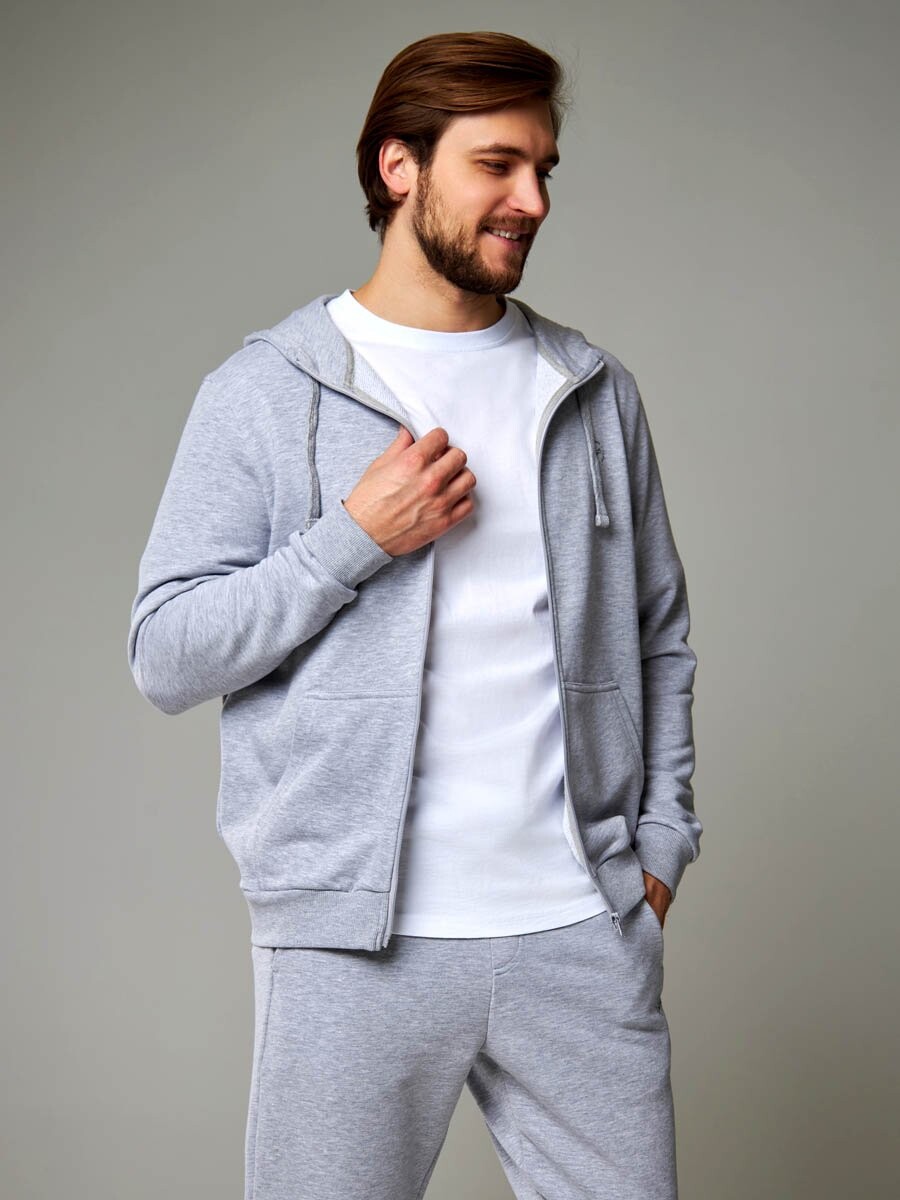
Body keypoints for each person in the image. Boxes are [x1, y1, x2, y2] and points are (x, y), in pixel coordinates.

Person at [127, 29, 702, 1200]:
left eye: (543, 168)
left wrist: (659, 850)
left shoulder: (591, 392)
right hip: (354, 947)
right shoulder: (265, 391)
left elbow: (659, 635)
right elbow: (166, 652)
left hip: (580, 931)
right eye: (497, 165)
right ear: (400, 166)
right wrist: (353, 538)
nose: (532, 201)